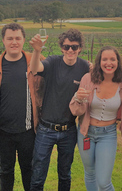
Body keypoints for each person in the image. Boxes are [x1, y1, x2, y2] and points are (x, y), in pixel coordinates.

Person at [0, 23, 44, 191]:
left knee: (28, 170)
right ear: (3, 40)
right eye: (10, 38)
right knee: (6, 170)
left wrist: (88, 68)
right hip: (2, 131)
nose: (14, 42)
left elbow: (58, 72)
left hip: (29, 130)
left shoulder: (35, 61)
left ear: (24, 40)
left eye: (18, 38)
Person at [29, 28, 90, 191]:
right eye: (66, 46)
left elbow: (100, 78)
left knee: (65, 175)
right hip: (45, 129)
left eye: (74, 47)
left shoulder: (85, 66)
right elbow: (35, 69)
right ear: (61, 48)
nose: (70, 50)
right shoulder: (53, 62)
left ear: (80, 48)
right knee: (38, 175)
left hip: (69, 129)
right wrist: (37, 50)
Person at [69, 46, 122, 191]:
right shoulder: (88, 79)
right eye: (104, 59)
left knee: (104, 182)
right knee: (90, 173)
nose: (108, 63)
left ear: (118, 62)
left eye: (112, 59)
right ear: (99, 62)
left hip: (108, 134)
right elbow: (75, 109)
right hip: (86, 132)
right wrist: (77, 98)